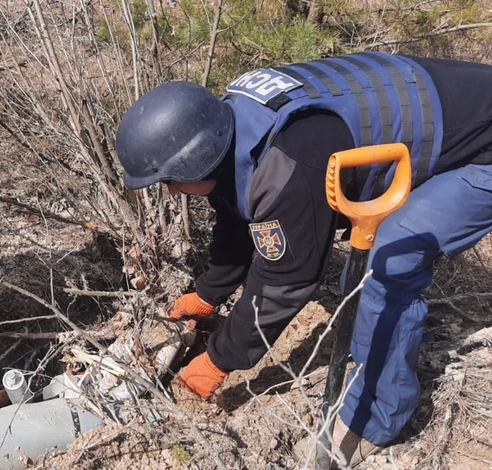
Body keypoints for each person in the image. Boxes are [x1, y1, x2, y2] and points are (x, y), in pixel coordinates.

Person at [115, 52, 492, 466]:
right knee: (371, 264)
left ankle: (376, 417)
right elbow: (237, 213)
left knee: (387, 257)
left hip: (482, 145)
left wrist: (221, 359)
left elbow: (286, 278)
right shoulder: (231, 124)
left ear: (198, 157)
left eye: (171, 181)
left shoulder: (291, 160)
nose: (170, 191)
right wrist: (207, 294)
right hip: (452, 100)